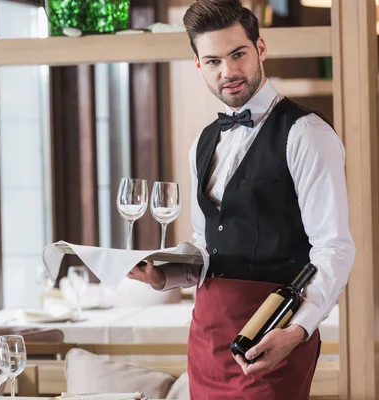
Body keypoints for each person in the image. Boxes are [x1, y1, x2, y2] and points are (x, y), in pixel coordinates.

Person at [127, 0, 355, 398]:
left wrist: (298, 330)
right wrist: (169, 275)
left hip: (273, 331)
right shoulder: (202, 141)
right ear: (199, 65)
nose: (228, 72)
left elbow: (334, 247)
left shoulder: (307, 134)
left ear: (260, 49)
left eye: (238, 55)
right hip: (208, 334)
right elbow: (206, 242)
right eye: (213, 61)